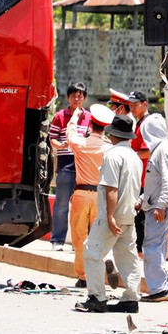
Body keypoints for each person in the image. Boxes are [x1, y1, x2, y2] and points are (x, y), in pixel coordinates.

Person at [75, 114, 143, 314]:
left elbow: (111, 188)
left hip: (112, 215)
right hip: (129, 214)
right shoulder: (135, 157)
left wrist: (111, 216)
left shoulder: (113, 155)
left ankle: (97, 297)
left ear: (113, 134)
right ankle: (131, 299)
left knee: (92, 252)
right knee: (127, 257)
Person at [66, 103, 114, 288]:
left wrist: (75, 116)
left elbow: (69, 133)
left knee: (79, 238)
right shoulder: (108, 148)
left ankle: (83, 276)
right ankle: (104, 264)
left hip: (80, 194)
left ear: (90, 124)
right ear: (105, 127)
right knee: (99, 236)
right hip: (100, 195)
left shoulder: (80, 143)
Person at [137, 114, 168, 302]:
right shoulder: (160, 149)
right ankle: (162, 286)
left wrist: (161, 205)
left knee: (152, 246)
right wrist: (142, 199)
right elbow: (154, 183)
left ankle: (159, 289)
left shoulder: (163, 150)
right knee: (157, 246)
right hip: (157, 204)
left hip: (162, 206)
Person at [48, 82, 91, 250]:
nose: (77, 98)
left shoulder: (89, 118)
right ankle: (57, 240)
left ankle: (78, 242)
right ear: (68, 97)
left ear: (84, 98)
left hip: (83, 169)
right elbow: (52, 138)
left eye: (80, 95)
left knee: (82, 208)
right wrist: (59, 145)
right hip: (66, 168)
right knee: (61, 205)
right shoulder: (60, 116)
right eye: (74, 95)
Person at [127, 90, 150, 256]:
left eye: (135, 105)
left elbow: (147, 151)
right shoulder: (140, 123)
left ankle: (140, 252)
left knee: (140, 219)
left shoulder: (147, 124)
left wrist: (129, 155)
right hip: (139, 178)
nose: (132, 108)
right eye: (131, 105)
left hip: (144, 179)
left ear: (145, 105)